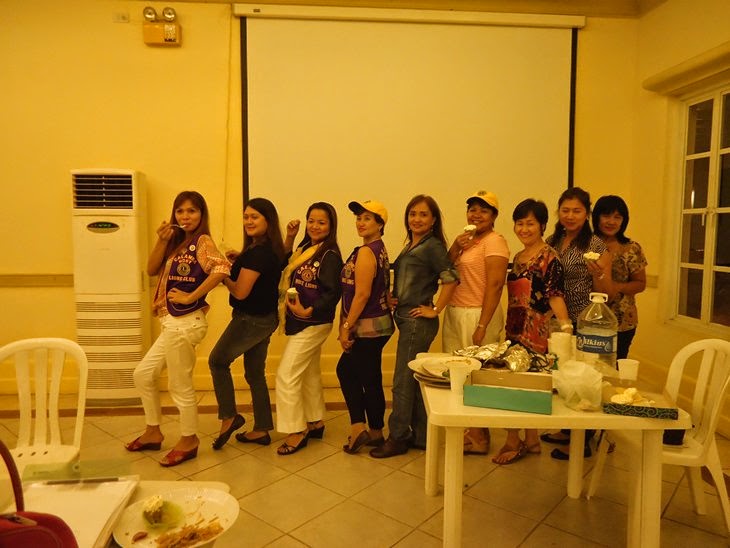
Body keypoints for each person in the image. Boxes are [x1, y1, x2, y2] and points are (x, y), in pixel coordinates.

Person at [126, 191, 230, 467]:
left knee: (179, 384)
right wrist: (161, 240)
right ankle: (153, 431)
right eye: (180, 211)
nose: (185, 216)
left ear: (202, 214)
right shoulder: (175, 241)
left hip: (186, 321)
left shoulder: (202, 241)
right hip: (171, 321)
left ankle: (189, 439)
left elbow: (222, 268)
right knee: (143, 374)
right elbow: (151, 269)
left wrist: (191, 296)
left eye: (192, 211)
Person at [370, 195, 459, 458]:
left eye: (423, 214)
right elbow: (412, 278)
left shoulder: (432, 246)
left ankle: (398, 437)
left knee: (402, 381)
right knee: (415, 378)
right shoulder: (412, 244)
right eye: (412, 214)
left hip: (417, 322)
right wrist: (394, 296)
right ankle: (421, 435)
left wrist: (436, 309)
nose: (416, 219)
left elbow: (451, 279)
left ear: (433, 220)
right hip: (406, 317)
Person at [493, 199, 571, 465]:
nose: (524, 229)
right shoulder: (518, 257)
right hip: (515, 329)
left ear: (542, 226)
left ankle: (513, 440)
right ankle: (532, 439)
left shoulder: (550, 257)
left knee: (521, 386)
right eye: (520, 223)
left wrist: (566, 328)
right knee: (521, 383)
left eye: (530, 224)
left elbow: (555, 295)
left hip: (537, 333)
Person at [208, 198, 286, 449]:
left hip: (251, 319)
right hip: (265, 318)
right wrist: (238, 260)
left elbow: (240, 292)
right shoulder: (264, 249)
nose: (248, 221)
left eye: (254, 217)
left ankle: (229, 416)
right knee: (254, 373)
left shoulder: (258, 253)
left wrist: (222, 274)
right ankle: (261, 429)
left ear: (268, 220)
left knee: (217, 361)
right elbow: (255, 279)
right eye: (246, 217)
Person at [542, 187, 612, 460]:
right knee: (562, 375)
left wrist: (599, 274)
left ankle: (582, 440)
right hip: (556, 320)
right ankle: (566, 429)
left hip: (584, 318)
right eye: (565, 210)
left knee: (584, 378)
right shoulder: (552, 240)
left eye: (577, 211)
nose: (570, 216)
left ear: (587, 214)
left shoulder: (596, 245)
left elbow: (606, 293)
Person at [443, 190, 509, 455]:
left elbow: (495, 285)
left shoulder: (495, 241)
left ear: (494, 216)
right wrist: (455, 246)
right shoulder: (466, 241)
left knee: (478, 376)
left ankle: (481, 437)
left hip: (479, 314)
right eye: (472, 209)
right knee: (459, 375)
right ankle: (470, 431)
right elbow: (445, 269)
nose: (476, 214)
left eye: (484, 210)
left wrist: (482, 325)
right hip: (456, 311)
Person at [274, 202, 343, 455]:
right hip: (299, 320)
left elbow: (333, 292)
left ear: (331, 226)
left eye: (321, 222)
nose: (315, 226)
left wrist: (309, 311)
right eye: (311, 221)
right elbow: (284, 265)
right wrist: (290, 237)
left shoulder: (329, 255)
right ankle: (315, 421)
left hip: (313, 322)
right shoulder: (305, 248)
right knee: (309, 372)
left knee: (286, 375)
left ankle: (296, 430)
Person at [336, 199, 394, 454]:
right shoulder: (377, 249)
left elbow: (361, 294)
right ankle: (372, 431)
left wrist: (346, 326)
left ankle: (363, 429)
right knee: (365, 376)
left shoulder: (367, 252)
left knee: (354, 373)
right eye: (359, 218)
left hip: (368, 327)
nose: (361, 222)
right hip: (377, 325)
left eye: (368, 218)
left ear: (380, 224)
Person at [592, 195, 647, 359]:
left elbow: (641, 283)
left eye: (617, 217)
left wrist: (617, 287)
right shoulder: (587, 244)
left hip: (622, 321)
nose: (611, 222)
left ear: (624, 220)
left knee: (615, 365)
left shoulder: (632, 248)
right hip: (589, 318)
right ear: (597, 217)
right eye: (606, 216)